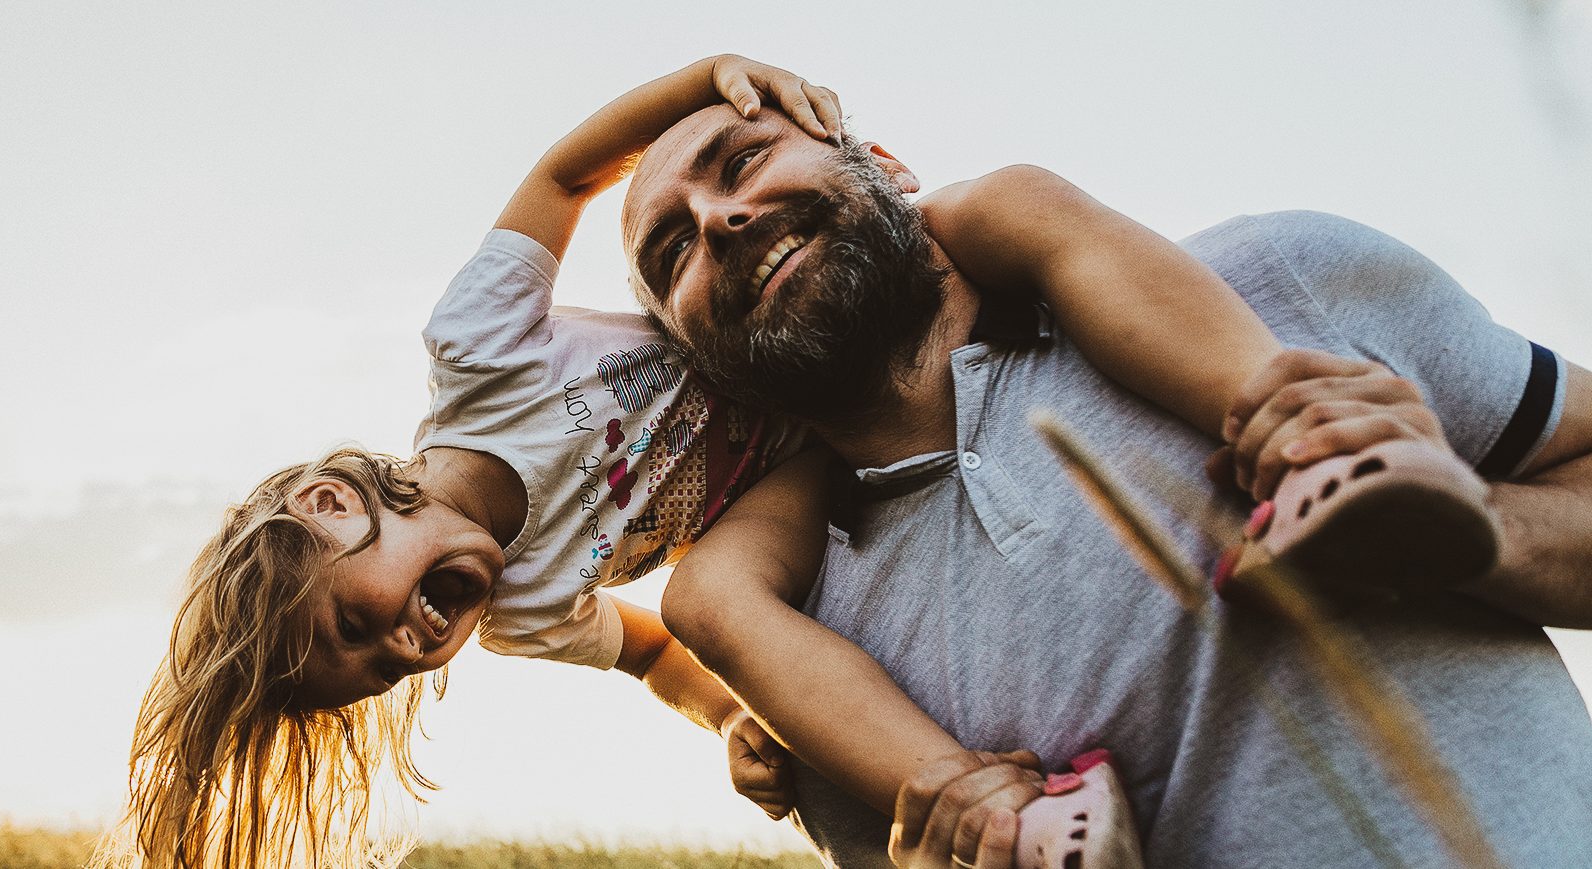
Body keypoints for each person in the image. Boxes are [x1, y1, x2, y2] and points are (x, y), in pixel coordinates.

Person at [115, 56, 1494, 869]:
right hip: (793, 451)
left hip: (818, 336)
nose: (412, 649)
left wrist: (709, 79)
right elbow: (662, 649)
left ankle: (1303, 425)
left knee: (1010, 201)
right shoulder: (526, 614)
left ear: (337, 503)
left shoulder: (476, 355)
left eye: (362, 623)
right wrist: (737, 724)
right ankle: (994, 814)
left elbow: (556, 178)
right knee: (717, 599)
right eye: (382, 673)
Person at [622, 95, 1592, 868]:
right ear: (699, 364)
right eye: (671, 252)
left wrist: (1479, 533)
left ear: (881, 164)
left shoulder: (1274, 281)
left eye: (742, 160)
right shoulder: (808, 692)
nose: (718, 219)